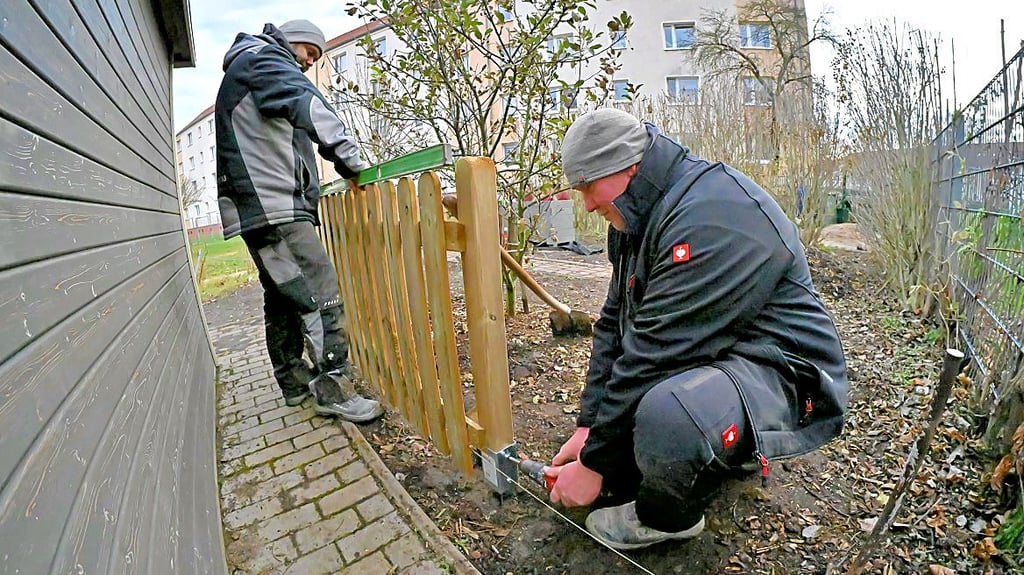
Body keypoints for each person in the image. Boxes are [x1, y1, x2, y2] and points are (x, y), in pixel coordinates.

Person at [545, 109, 848, 549]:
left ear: (628, 166)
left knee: (670, 416)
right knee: (633, 432)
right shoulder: (637, 214)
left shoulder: (712, 215)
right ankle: (697, 446)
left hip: (782, 373)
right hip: (717, 352)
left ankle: (666, 519)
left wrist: (592, 468)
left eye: (589, 187)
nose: (588, 203)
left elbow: (654, 352)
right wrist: (589, 428)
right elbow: (615, 325)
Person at [215, 19, 383, 422]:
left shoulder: (248, 67)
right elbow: (308, 104)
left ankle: (293, 383)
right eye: (310, 53)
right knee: (316, 290)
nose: (308, 63)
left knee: (283, 296)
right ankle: (334, 387)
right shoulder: (265, 60)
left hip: (258, 207)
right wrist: (351, 162)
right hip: (274, 207)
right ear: (294, 41)